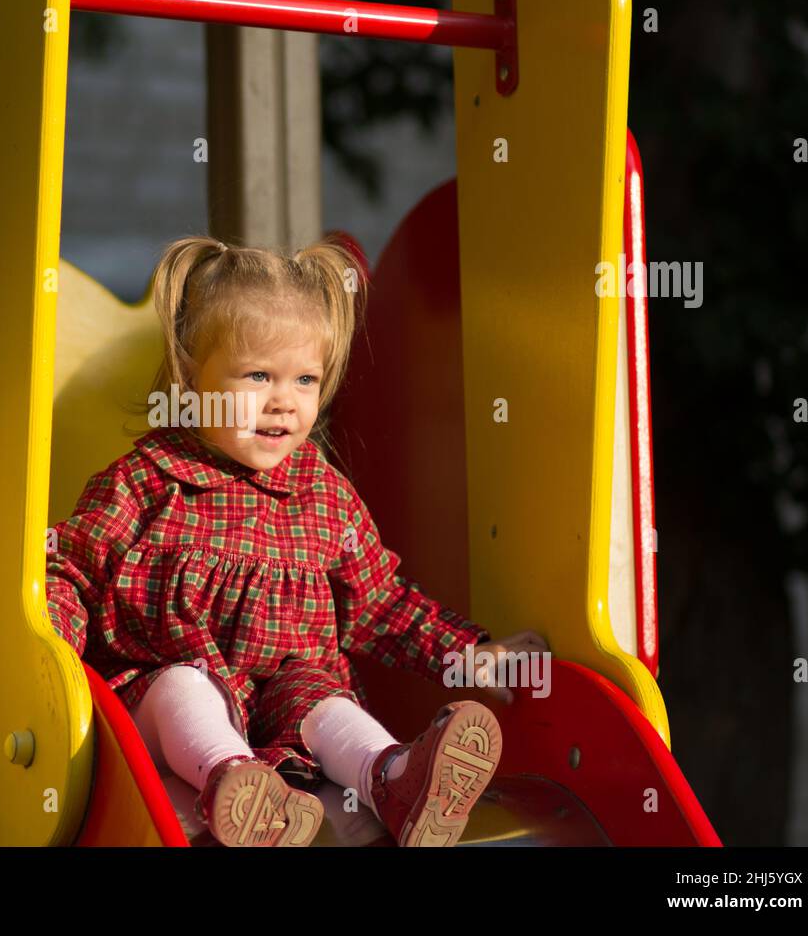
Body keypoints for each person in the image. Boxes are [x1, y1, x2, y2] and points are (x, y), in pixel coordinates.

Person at [46, 234, 549, 846]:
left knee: (322, 695)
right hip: (162, 712)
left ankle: (392, 776)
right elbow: (71, 573)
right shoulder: (148, 482)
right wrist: (50, 654)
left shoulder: (322, 494)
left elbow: (379, 605)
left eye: (305, 379)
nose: (284, 401)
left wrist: (466, 654)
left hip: (280, 720)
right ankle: (234, 781)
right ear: (190, 374)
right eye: (258, 375)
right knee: (187, 686)